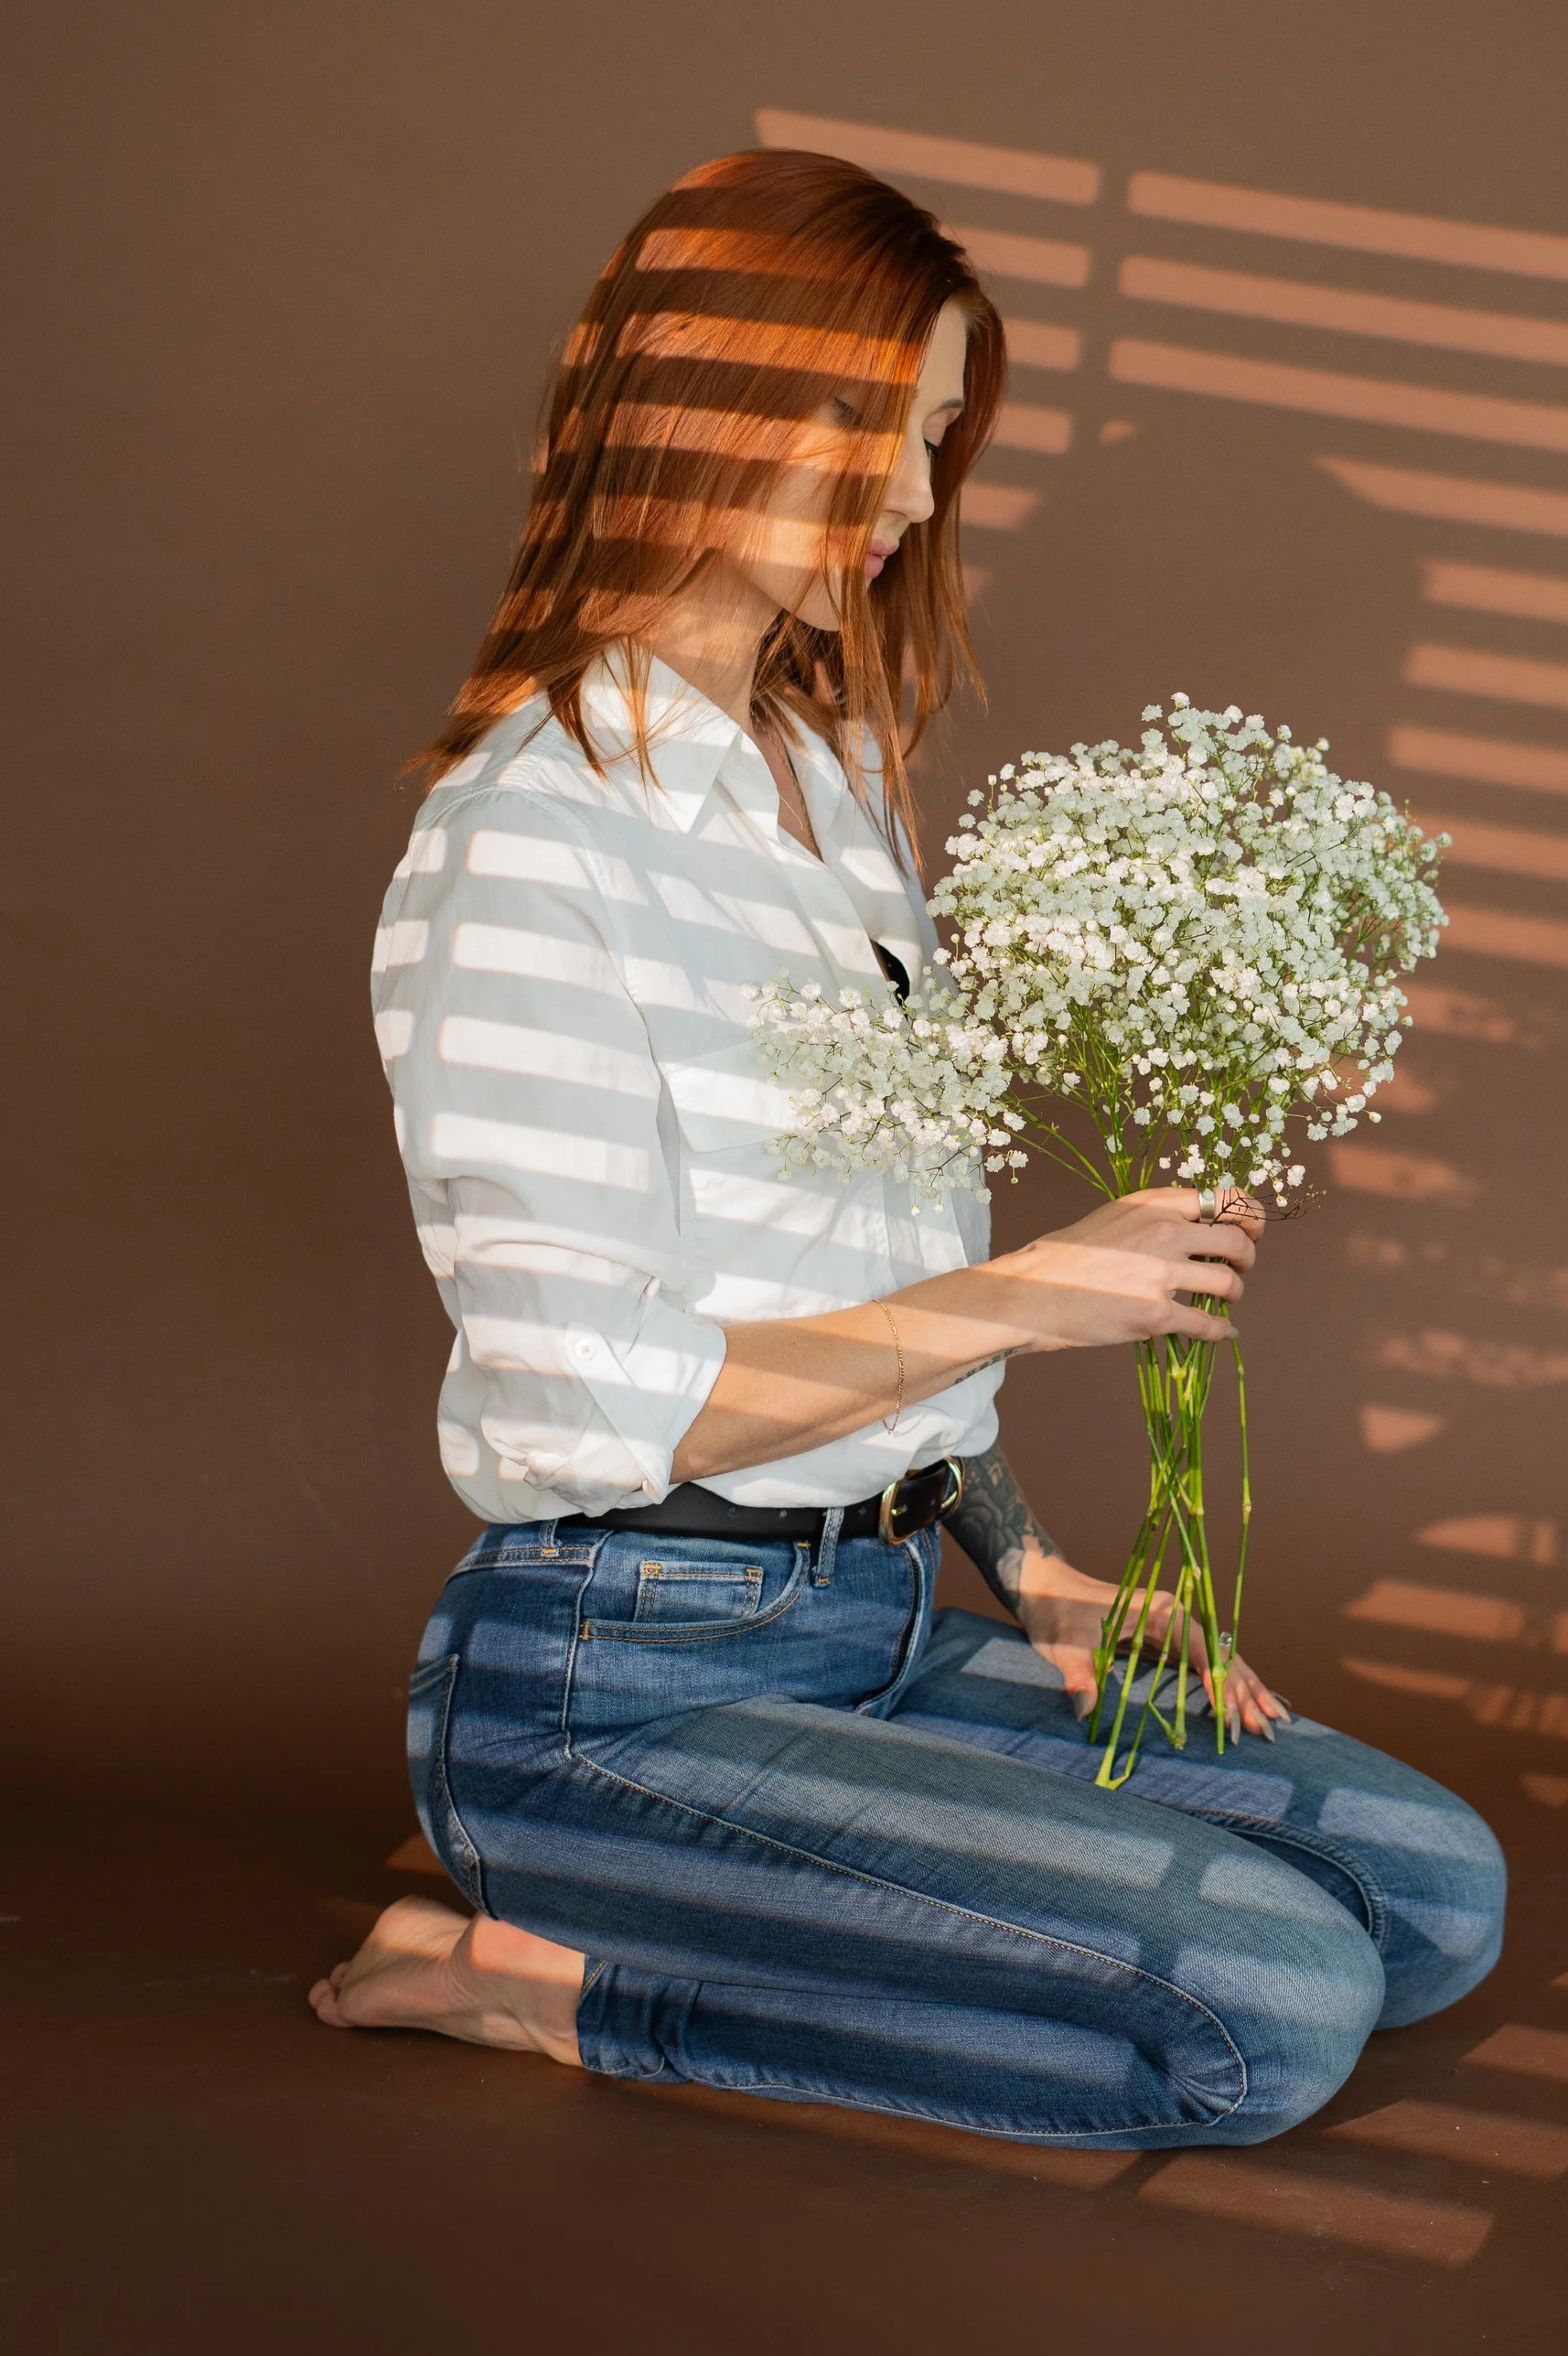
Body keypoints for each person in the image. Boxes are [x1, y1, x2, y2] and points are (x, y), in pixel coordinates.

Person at [314, 145, 1505, 2147]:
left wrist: (1030, 1569)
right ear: (705, 399)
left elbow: (857, 1286)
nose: (923, 498)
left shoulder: (832, 784)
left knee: (1435, 1900)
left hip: (874, 1626)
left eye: (941, 441)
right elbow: (604, 1399)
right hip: (618, 1684)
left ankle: (843, 1871)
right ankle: (558, 1983)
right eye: (884, 431)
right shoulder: (527, 844)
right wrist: (1036, 1295)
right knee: (1271, 2014)